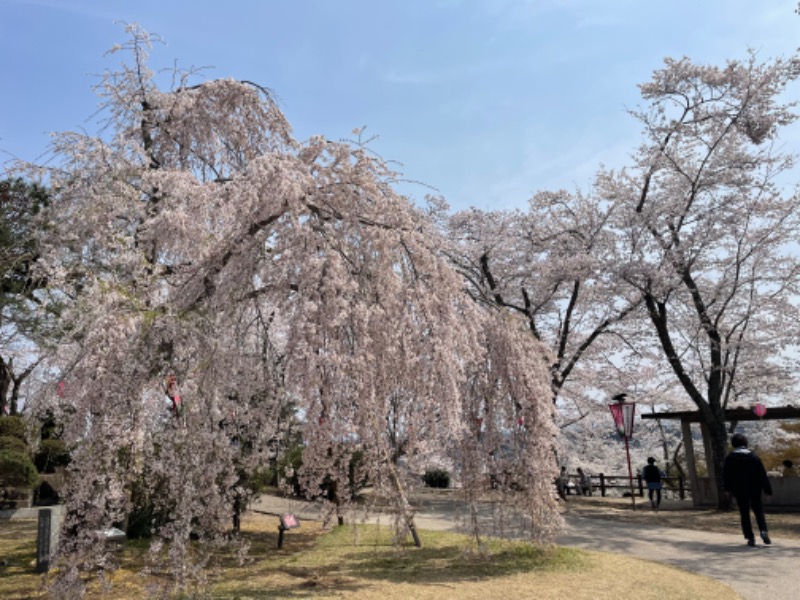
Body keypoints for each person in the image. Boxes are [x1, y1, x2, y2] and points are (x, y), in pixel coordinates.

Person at [723, 433, 772, 547]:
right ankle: (763, 531)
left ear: (733, 444)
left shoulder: (730, 458)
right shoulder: (754, 457)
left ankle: (750, 537)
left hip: (739, 489)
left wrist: (727, 488)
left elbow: (727, 475)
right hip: (755, 488)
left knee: (744, 513)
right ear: (746, 443)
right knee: (758, 511)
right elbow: (762, 474)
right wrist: (767, 490)